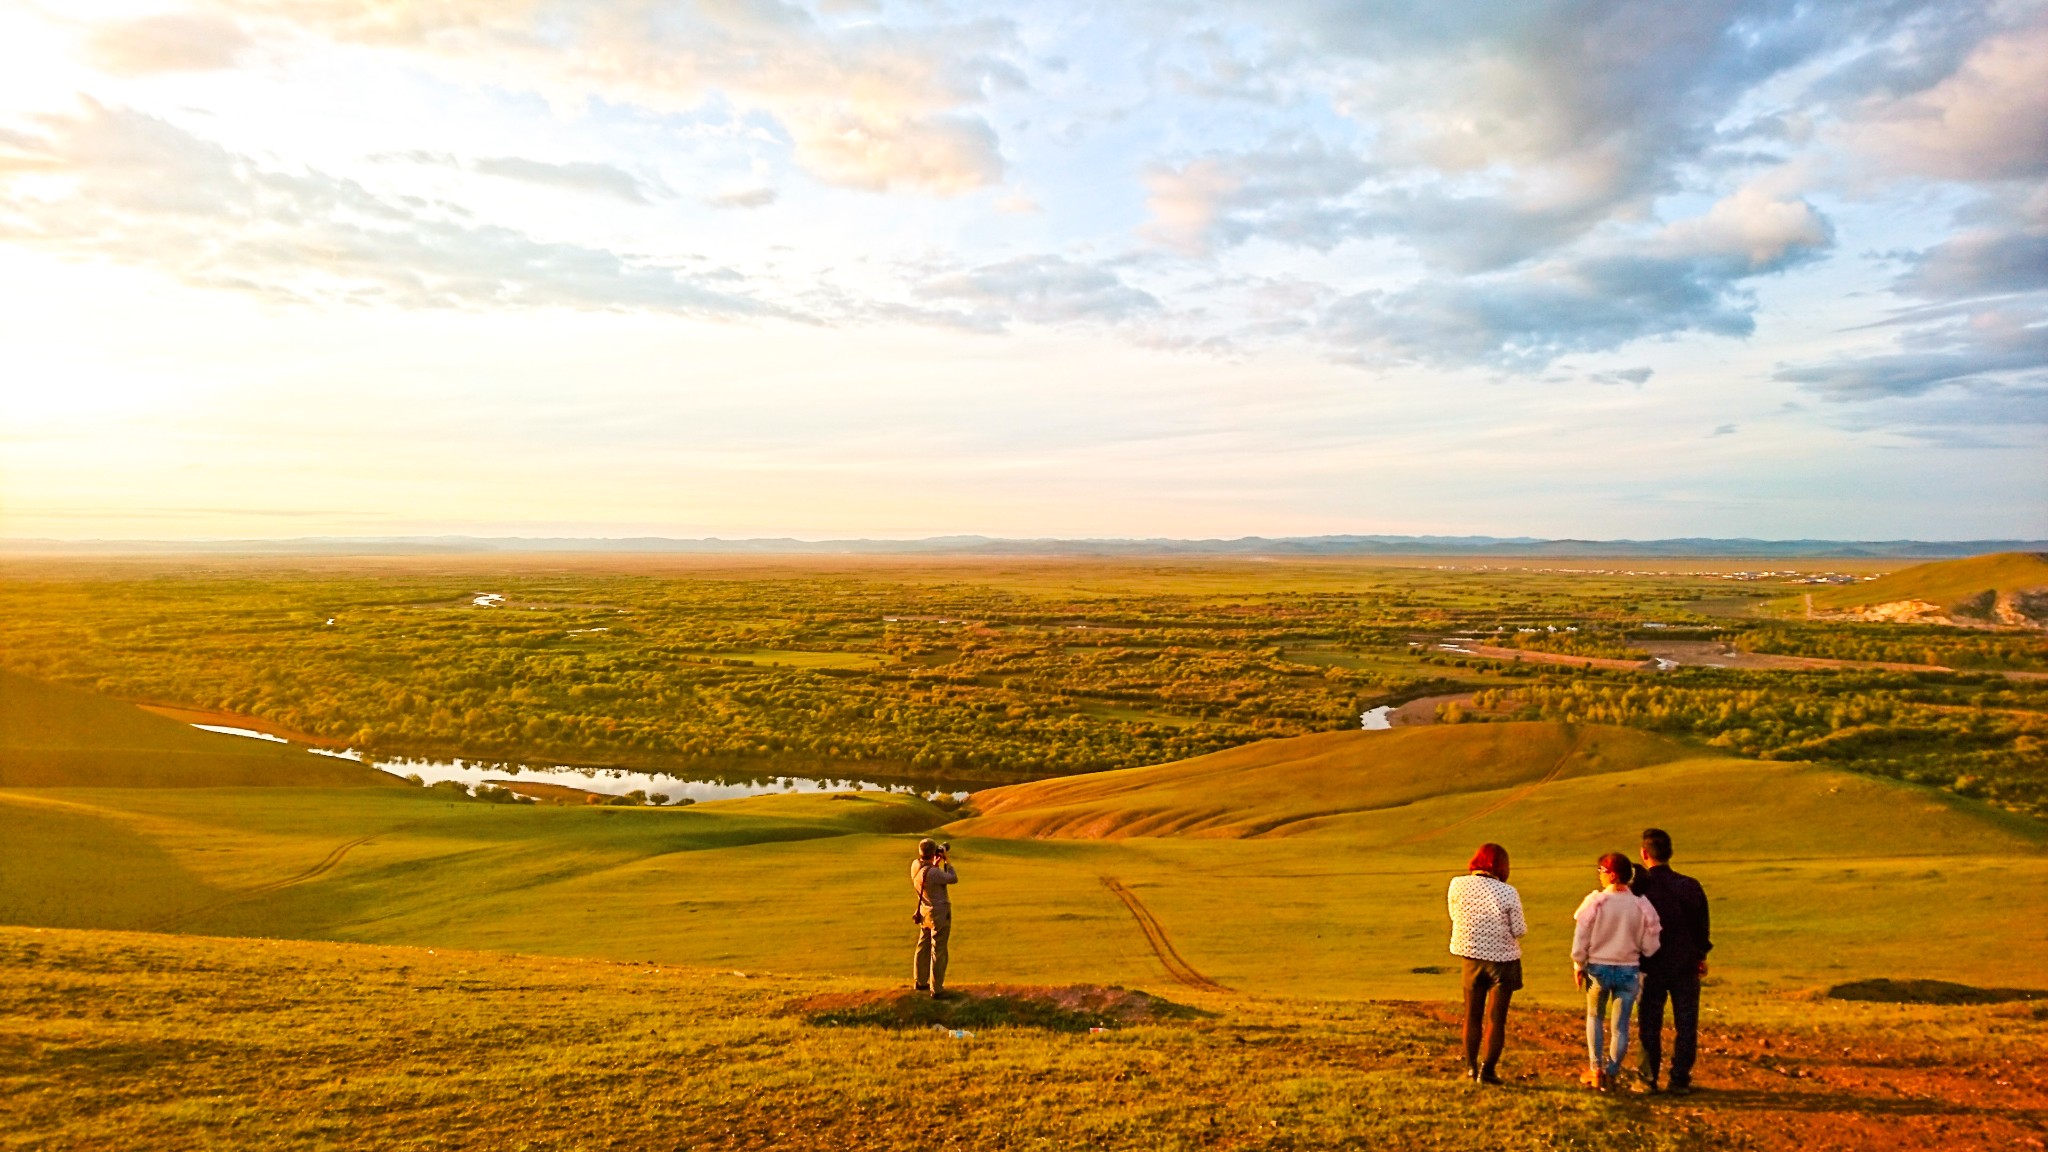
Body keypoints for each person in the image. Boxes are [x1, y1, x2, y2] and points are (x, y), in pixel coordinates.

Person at [1572, 853, 1662, 1091]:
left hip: (1598, 969)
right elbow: (1651, 945)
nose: (1598, 875)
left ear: (1612, 875)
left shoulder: (1595, 902)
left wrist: (1578, 965)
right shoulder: (1641, 905)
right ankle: (1612, 1072)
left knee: (1594, 1017)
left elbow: (1581, 936)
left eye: (1601, 870)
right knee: (1620, 1026)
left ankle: (1596, 1069)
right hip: (1629, 970)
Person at [1632, 827, 1712, 1095]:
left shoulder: (1640, 889)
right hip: (1685, 963)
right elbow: (1701, 927)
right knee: (1686, 1023)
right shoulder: (1689, 885)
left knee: (1649, 1022)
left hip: (1650, 965)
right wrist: (1701, 955)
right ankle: (1679, 1079)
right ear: (1670, 853)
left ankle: (1647, 1079)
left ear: (1644, 854)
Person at [1447, 842, 1527, 1085]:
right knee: (1496, 1018)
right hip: (1503, 961)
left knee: (1471, 1015)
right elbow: (1520, 930)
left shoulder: (1457, 884)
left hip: (1471, 958)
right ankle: (1488, 1070)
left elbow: (1454, 915)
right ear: (1501, 866)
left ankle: (1470, 1067)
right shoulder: (1508, 892)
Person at [911, 838, 957, 999]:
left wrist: (934, 863)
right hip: (939, 914)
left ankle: (920, 981)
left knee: (923, 946)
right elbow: (952, 878)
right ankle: (936, 989)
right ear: (933, 852)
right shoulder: (935, 872)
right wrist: (947, 861)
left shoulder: (915, 866)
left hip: (924, 912)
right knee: (938, 950)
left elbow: (927, 877)